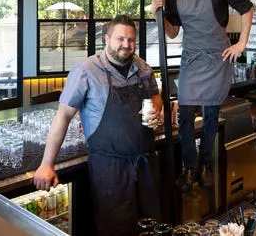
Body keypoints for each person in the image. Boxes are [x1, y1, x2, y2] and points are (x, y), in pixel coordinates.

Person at [34, 15, 163, 236]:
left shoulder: (143, 68)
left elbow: (155, 96)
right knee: (117, 229)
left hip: (145, 164)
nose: (126, 45)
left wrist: (157, 111)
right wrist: (47, 163)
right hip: (109, 168)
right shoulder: (86, 71)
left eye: (131, 40)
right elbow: (63, 116)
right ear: (107, 39)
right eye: (120, 39)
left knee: (152, 227)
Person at [151, 0, 254, 192]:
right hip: (191, 59)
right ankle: (190, 167)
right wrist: (160, 13)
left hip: (217, 58)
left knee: (209, 115)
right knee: (184, 114)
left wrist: (242, 43)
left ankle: (206, 164)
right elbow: (174, 32)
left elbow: (247, 8)